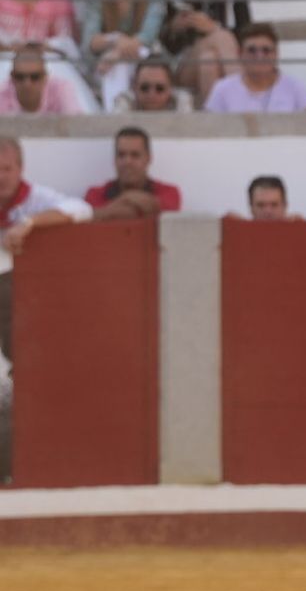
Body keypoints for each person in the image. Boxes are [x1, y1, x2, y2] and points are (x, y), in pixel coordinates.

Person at [0, 134, 93, 483]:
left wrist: (31, 224)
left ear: (20, 169)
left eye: (6, 169)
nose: (1, 177)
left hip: (23, 311)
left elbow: (82, 210)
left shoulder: (36, 200)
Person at [79, 0, 165, 110]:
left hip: (143, 61)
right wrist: (116, 38)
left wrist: (118, 53)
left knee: (123, 60)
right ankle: (117, 111)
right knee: (119, 65)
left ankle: (116, 111)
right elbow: (90, 42)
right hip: (104, 65)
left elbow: (146, 38)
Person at [160, 0, 249, 105]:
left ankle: (212, 114)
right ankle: (244, 99)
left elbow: (246, 35)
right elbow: (166, 45)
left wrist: (212, 27)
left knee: (209, 60)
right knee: (221, 37)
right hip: (185, 65)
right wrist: (174, 27)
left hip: (221, 60)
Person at [203, 22, 306, 112]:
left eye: (266, 50)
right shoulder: (223, 89)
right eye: (252, 50)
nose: (259, 56)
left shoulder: (295, 88)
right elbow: (210, 129)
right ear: (239, 54)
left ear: (276, 54)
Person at [84, 126, 182, 219]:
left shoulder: (169, 192)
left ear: (148, 158)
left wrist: (107, 211)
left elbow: (97, 215)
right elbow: (89, 216)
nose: (127, 162)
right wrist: (127, 198)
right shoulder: (95, 194)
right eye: (121, 155)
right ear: (114, 159)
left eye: (135, 155)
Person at [0, 43, 84, 113]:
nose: (27, 83)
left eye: (35, 77)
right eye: (19, 77)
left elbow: (77, 122)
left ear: (45, 76)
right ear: (11, 77)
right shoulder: (2, 93)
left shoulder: (62, 89)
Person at [111, 55, 195, 111]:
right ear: (134, 87)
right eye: (144, 88)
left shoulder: (181, 100)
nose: (151, 94)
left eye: (159, 88)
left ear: (170, 88)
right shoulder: (126, 101)